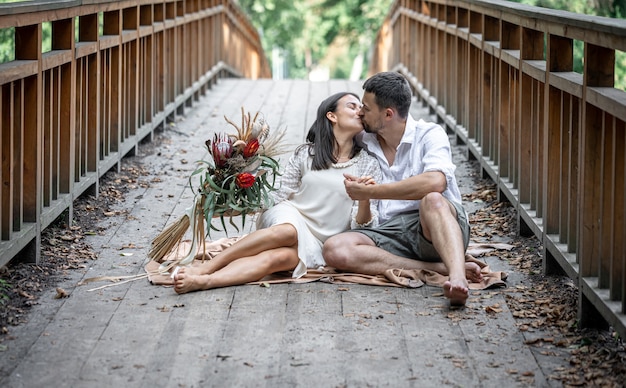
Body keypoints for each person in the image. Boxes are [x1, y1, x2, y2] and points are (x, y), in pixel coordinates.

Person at [173, 92, 381, 294]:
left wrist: (364, 199)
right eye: (352, 106)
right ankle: (206, 268)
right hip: (290, 216)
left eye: (361, 108)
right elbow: (280, 193)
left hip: (321, 241)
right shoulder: (307, 154)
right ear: (331, 115)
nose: (360, 112)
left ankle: (205, 281)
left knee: (278, 259)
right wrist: (233, 202)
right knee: (288, 232)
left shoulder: (368, 164)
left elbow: (361, 226)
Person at [322, 71, 481, 306]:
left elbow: (435, 182)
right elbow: (325, 134)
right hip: (389, 232)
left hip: (433, 225)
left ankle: (458, 278)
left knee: (433, 199)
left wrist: (371, 193)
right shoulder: (364, 138)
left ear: (388, 114)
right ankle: (439, 268)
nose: (360, 112)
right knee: (335, 249)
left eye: (366, 107)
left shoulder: (429, 134)